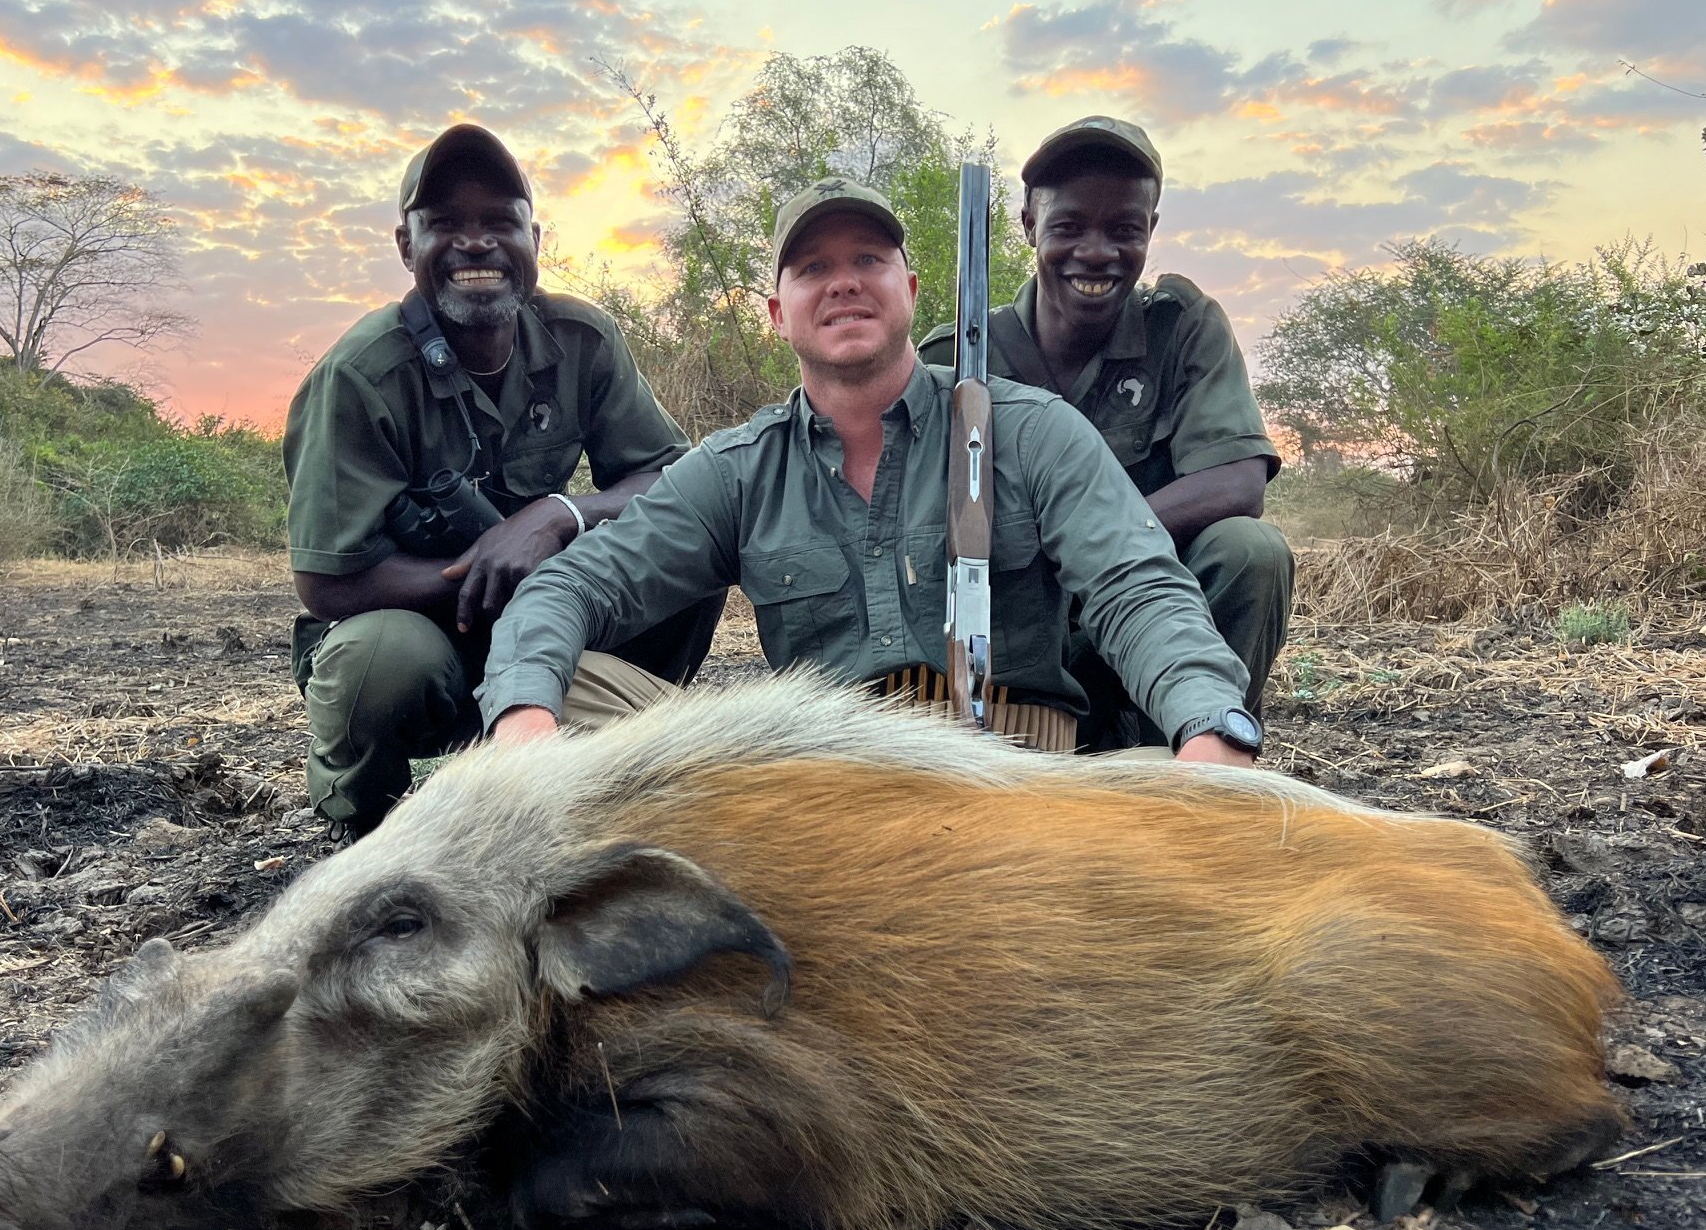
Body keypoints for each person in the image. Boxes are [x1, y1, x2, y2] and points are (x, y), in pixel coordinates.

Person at [480, 176, 1264, 767]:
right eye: (813, 267)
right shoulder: (736, 469)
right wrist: (523, 716)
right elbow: (572, 586)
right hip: (829, 780)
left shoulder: (1030, 430)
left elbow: (1139, 587)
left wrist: (1206, 724)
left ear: (910, 291)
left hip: (1019, 771)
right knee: (568, 683)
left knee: (1190, 805)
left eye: (867, 259)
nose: (844, 281)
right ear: (779, 313)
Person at [282, 123, 723, 836]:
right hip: (430, 631)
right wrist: (482, 572)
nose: (476, 243)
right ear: (407, 247)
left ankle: (623, 764)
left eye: (498, 222)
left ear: (534, 240)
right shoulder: (359, 375)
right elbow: (328, 581)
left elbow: (671, 478)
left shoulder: (584, 338)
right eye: (446, 224)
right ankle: (362, 825)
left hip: (553, 620)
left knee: (688, 561)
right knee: (379, 660)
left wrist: (557, 517)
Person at [919, 116, 1294, 752]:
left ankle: (1195, 756)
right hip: (1025, 640)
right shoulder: (955, 361)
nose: (1096, 252)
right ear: (1030, 226)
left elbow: (1239, 481)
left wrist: (1100, 543)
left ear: (1151, 230)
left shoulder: (1183, 327)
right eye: (1068, 227)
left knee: (1250, 551)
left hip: (1146, 611)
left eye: (1123, 229)